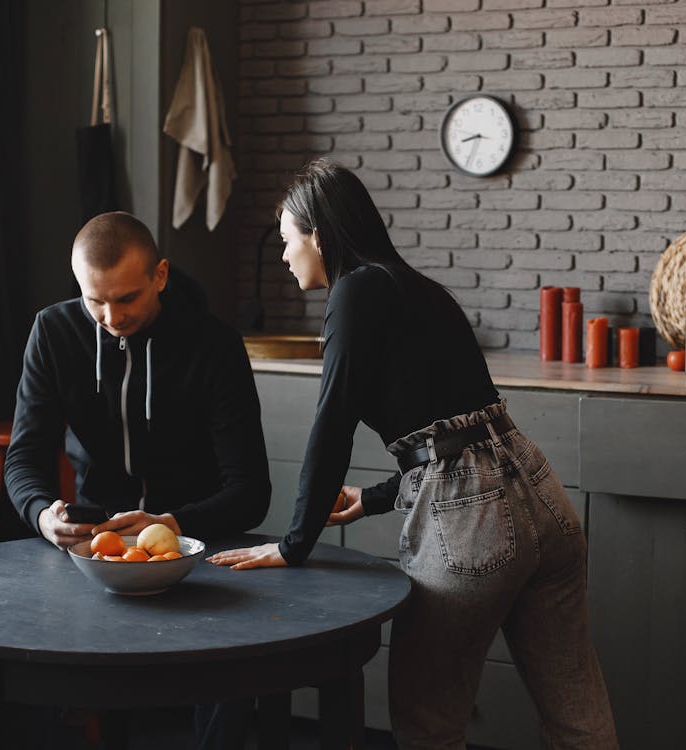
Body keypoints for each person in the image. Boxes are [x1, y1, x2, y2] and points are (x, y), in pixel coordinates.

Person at [207, 160, 619, 748]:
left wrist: (293, 544)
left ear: (318, 235)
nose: (283, 256)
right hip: (540, 494)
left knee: (429, 725)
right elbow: (457, 435)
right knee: (577, 716)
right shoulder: (419, 287)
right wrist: (372, 498)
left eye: (287, 240)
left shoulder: (352, 293)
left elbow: (333, 424)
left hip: (475, 524)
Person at [4, 211, 272, 749]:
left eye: (126, 298)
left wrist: (169, 524)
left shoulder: (214, 344)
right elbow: (24, 459)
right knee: (23, 662)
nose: (110, 317)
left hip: (199, 543)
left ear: (161, 276)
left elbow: (250, 491)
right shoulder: (54, 332)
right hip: (96, 550)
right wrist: (42, 515)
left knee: (236, 679)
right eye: (94, 300)